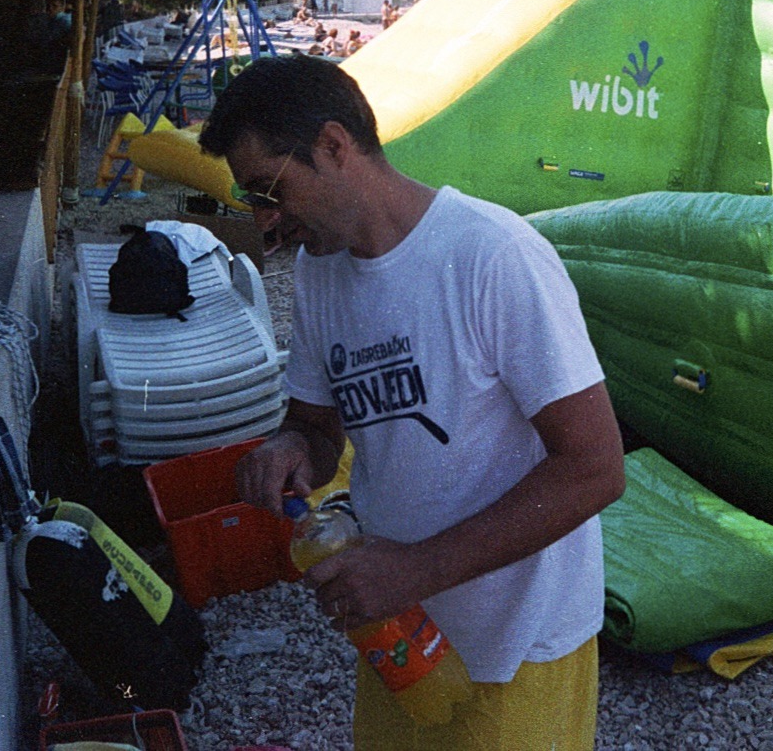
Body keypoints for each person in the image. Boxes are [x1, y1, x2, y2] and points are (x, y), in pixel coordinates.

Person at [196, 56, 624, 750]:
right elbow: (315, 423)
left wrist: (417, 568)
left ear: (335, 145)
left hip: (519, 645)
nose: (267, 224)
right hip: (395, 631)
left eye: (271, 190)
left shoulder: (492, 256)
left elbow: (595, 468)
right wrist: (289, 447)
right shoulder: (320, 270)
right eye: (253, 201)